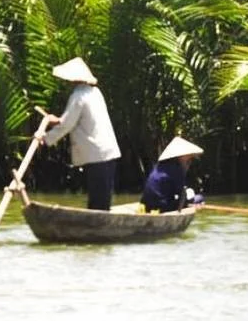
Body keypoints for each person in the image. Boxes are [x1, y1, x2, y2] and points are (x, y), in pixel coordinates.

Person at [35, 57, 122, 210]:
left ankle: (96, 224)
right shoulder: (95, 92)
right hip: (106, 152)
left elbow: (68, 124)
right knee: (102, 201)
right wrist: (58, 121)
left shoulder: (78, 96)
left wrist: (45, 139)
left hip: (97, 154)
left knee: (98, 203)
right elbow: (75, 120)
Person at [141, 137, 206, 213]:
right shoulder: (176, 169)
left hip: (146, 207)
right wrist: (186, 205)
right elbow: (182, 194)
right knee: (199, 198)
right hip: (163, 207)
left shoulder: (159, 166)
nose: (190, 161)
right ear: (181, 156)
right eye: (189, 159)